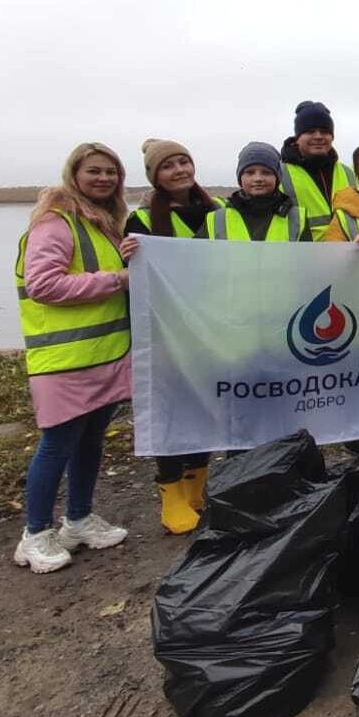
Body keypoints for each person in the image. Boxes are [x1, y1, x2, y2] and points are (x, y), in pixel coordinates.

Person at [11, 143, 132, 574]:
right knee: (57, 446)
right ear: (74, 175)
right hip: (63, 360)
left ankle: (78, 519)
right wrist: (116, 278)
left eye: (111, 173)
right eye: (94, 171)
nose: (103, 179)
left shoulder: (103, 226)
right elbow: (44, 284)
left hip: (104, 355)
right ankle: (35, 534)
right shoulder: (54, 224)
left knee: (91, 441)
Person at [122, 138, 220, 535]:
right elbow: (130, 276)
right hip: (166, 330)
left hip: (210, 327)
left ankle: (196, 486)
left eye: (184, 161)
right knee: (169, 408)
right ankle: (171, 494)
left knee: (204, 404)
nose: (179, 170)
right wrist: (126, 254)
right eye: (169, 166)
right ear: (155, 176)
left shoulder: (218, 213)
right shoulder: (142, 222)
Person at [200, 142, 312, 241]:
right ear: (240, 178)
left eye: (266, 172)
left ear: (277, 178)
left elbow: (305, 261)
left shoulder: (297, 218)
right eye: (250, 172)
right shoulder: (215, 220)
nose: (258, 178)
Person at [279, 100, 357, 241]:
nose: (318, 136)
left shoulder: (349, 173)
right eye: (310, 131)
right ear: (297, 138)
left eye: (325, 131)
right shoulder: (279, 174)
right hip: (302, 258)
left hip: (347, 256)